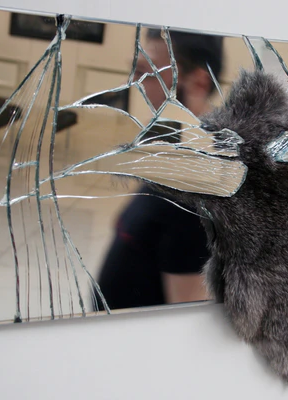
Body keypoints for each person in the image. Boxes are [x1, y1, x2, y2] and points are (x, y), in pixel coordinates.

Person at [95, 29, 224, 310]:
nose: (135, 83)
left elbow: (186, 311)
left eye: (147, 73)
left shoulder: (196, 186)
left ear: (198, 82)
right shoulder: (174, 155)